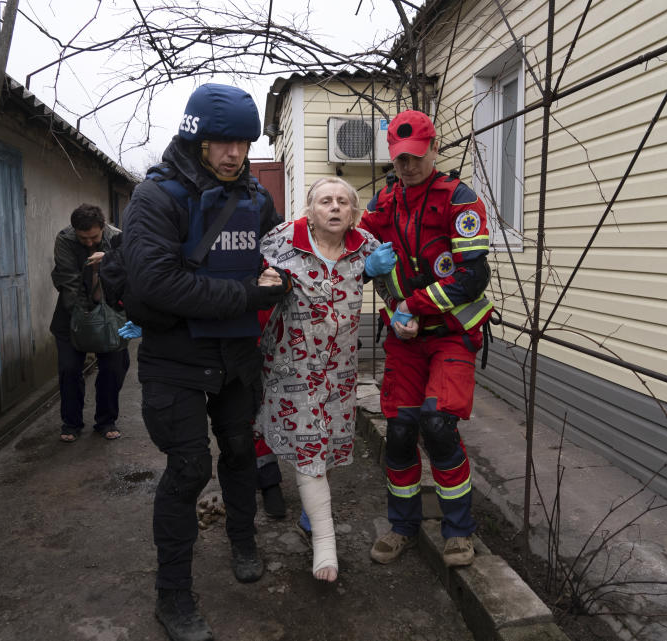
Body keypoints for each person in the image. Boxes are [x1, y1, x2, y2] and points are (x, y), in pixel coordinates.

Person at [120, 83, 291, 641]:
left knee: (241, 453)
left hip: (238, 357)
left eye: (242, 142)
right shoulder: (157, 198)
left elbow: (280, 259)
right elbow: (157, 283)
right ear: (196, 140)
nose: (233, 154)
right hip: (176, 360)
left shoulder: (256, 198)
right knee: (190, 468)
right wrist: (246, 296)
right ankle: (172, 596)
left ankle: (243, 540)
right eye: (221, 142)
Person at [360, 110, 495, 568]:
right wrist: (364, 267)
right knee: (398, 433)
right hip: (404, 340)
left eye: (416, 157)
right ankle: (402, 526)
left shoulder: (459, 199)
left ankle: (458, 531)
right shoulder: (384, 203)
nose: (409, 167)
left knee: (438, 427)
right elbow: (354, 247)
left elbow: (472, 277)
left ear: (434, 149)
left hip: (451, 335)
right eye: (400, 160)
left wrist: (411, 306)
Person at [255, 177, 396, 582]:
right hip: (291, 369)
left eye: (342, 202)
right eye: (324, 201)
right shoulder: (282, 240)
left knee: (329, 447)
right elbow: (251, 278)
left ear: (352, 212)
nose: (334, 207)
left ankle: (310, 512)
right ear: (310, 211)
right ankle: (325, 543)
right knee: (311, 446)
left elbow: (391, 292)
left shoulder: (366, 246)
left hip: (340, 370)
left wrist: (401, 313)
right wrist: (266, 283)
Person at [50, 203, 129, 443]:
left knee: (113, 369)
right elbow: (69, 281)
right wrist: (85, 315)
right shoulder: (65, 240)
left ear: (103, 228)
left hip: (111, 313)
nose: (89, 243)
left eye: (94, 237)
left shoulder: (117, 239)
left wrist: (108, 257)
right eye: (83, 238)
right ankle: (71, 423)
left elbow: (132, 267)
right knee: (69, 369)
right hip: (72, 314)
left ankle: (106, 420)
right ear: (75, 231)